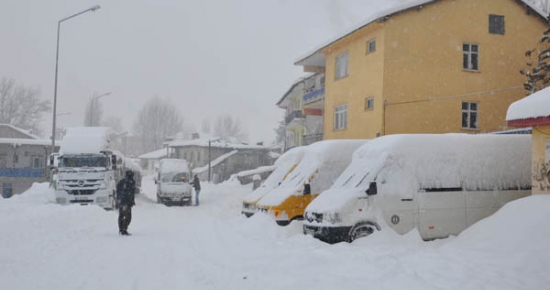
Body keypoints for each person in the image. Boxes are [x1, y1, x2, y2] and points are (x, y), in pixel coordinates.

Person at [116, 170, 136, 235]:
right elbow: (131, 193)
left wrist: (118, 200)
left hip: (121, 202)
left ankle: (121, 229)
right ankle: (124, 229)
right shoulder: (131, 182)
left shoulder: (121, 182)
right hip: (127, 202)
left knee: (121, 215)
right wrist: (131, 201)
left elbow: (118, 191)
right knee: (128, 217)